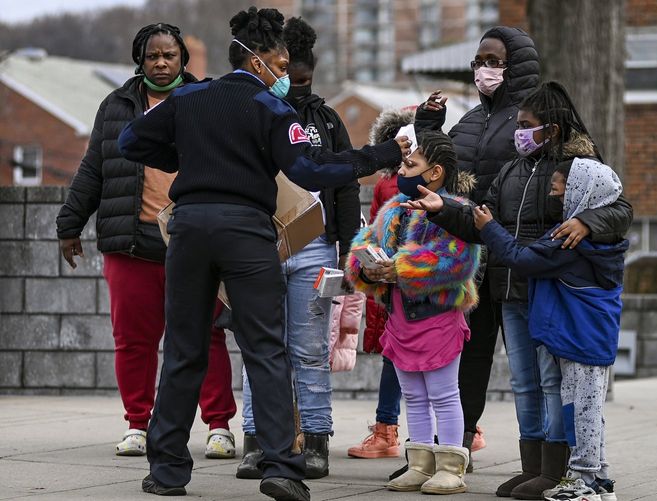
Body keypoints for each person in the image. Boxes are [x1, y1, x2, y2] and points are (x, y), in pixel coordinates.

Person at [116, 7, 409, 501]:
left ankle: (167, 471)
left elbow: (130, 140)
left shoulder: (187, 97)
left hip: (188, 231)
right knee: (266, 350)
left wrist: (187, 161)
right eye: (280, 61)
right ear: (258, 62)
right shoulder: (272, 109)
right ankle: (279, 466)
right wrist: (381, 156)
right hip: (246, 233)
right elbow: (312, 171)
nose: (284, 72)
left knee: (184, 350)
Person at [404, 81, 632, 499]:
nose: (518, 133)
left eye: (527, 125)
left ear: (553, 129)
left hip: (551, 290)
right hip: (509, 288)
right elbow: (483, 220)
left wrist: (588, 223)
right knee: (524, 383)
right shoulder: (512, 169)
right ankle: (534, 467)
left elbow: (619, 206)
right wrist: (445, 209)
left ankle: (558, 468)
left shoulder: (579, 166)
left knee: (552, 383)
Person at [55, 23, 236, 460]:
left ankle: (218, 426)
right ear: (141, 59)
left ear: (182, 60)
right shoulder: (116, 105)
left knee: (206, 337)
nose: (160, 62)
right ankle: (138, 424)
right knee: (133, 340)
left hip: (194, 241)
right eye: (152, 55)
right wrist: (70, 224)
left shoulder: (207, 100)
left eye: (169, 55)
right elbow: (94, 166)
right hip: (131, 243)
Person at [236, 16, 361, 481]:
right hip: (258, 247)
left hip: (314, 250)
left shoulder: (327, 121)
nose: (295, 86)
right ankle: (256, 443)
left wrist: (350, 249)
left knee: (310, 351)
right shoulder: (250, 111)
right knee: (259, 349)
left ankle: (316, 442)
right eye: (288, 75)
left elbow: (346, 186)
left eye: (304, 79)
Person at [413, 26, 541, 467]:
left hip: (512, 257)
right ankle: (455, 447)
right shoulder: (469, 121)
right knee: (466, 357)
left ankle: (542, 464)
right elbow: (439, 174)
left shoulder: (529, 121)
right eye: (478, 62)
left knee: (529, 371)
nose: (483, 70)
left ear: (516, 66)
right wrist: (428, 128)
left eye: (493, 60)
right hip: (469, 257)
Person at [473, 157, 626, 501]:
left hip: (579, 339)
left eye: (559, 190)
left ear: (580, 192)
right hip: (590, 337)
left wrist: (488, 227)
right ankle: (599, 477)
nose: (554, 197)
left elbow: (522, 258)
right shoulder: (599, 237)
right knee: (588, 408)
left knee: (580, 410)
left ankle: (584, 479)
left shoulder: (570, 239)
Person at [346, 131, 481, 495]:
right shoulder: (394, 209)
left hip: (438, 315)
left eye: (410, 164)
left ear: (434, 172)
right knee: (414, 394)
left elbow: (458, 260)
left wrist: (402, 268)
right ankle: (420, 463)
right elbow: (367, 242)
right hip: (401, 315)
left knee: (443, 392)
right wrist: (366, 267)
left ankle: (452, 465)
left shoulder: (452, 209)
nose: (402, 170)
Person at [346, 108, 414, 461]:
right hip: (392, 280)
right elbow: (374, 230)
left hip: (418, 277)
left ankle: (392, 429)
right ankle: (387, 427)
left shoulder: (431, 177)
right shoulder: (388, 181)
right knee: (394, 354)